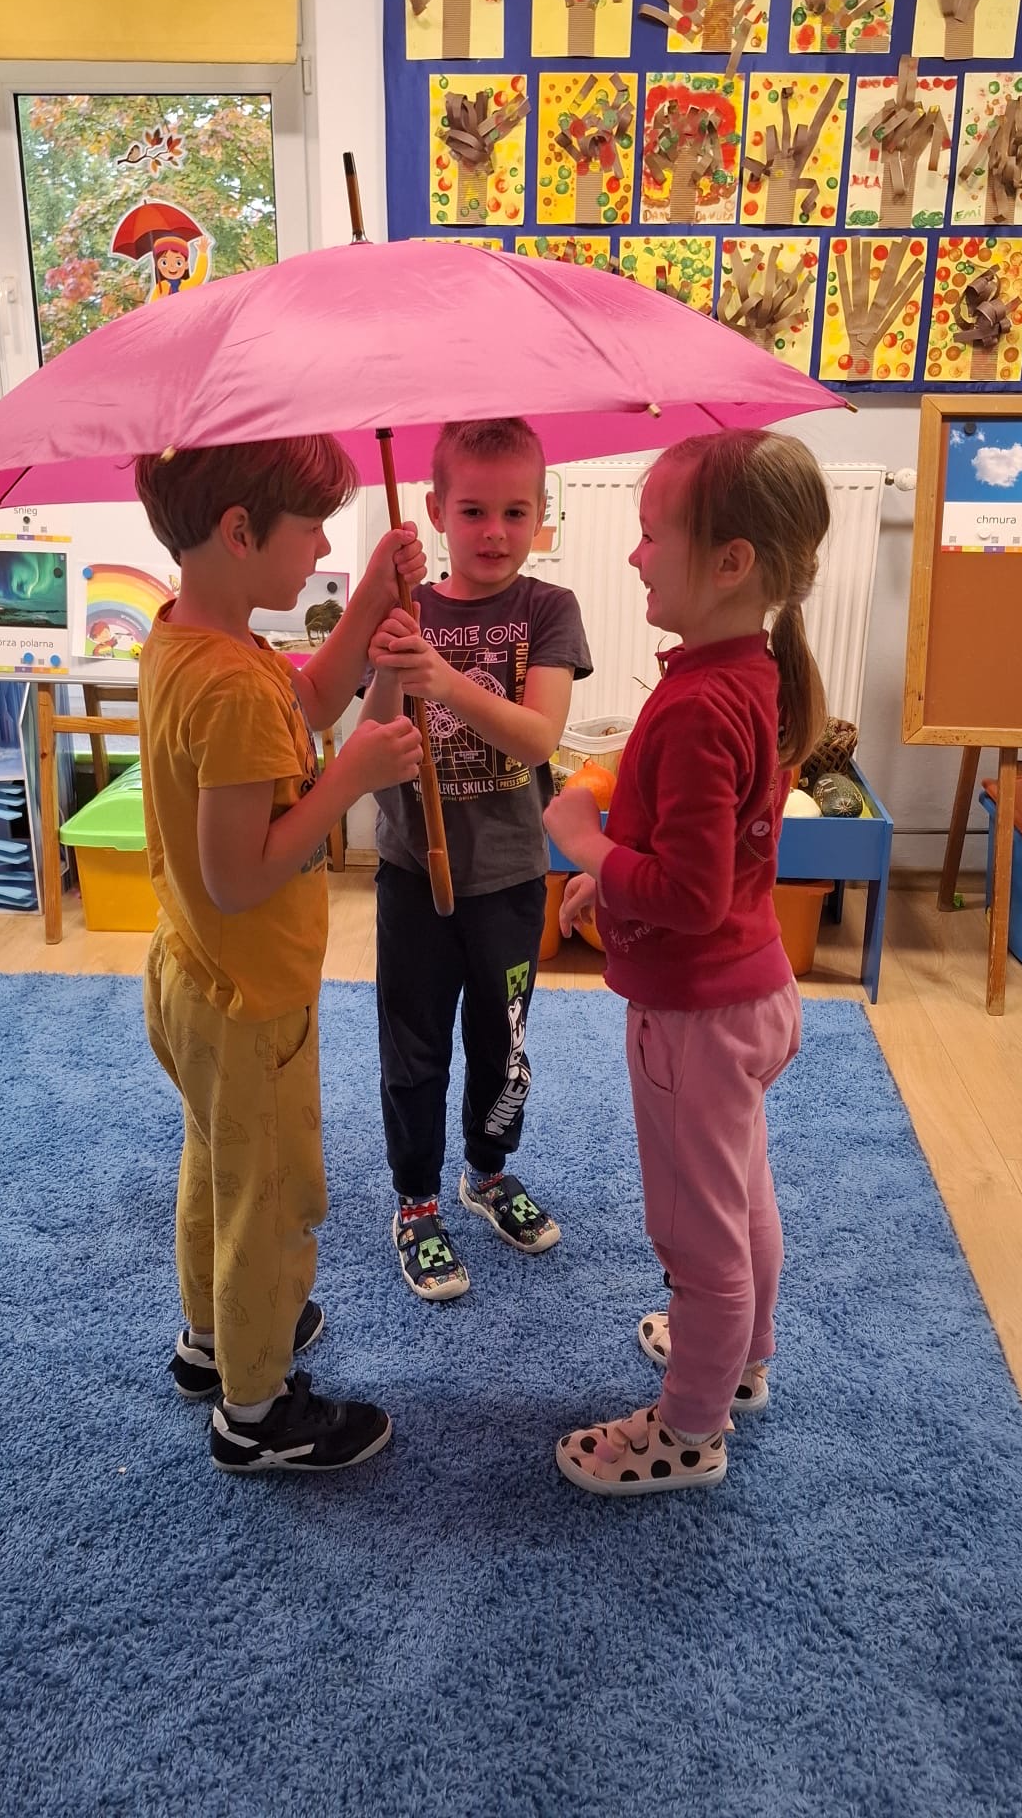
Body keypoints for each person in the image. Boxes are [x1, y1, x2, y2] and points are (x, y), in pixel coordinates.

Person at [544, 429, 831, 1496]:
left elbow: (689, 894)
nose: (634, 556)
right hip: (750, 990)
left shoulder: (701, 704)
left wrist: (584, 844)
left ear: (730, 562)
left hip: (697, 1019)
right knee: (742, 1193)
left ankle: (690, 1431)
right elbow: (702, 858)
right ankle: (741, 1356)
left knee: (694, 1233)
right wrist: (612, 882)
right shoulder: (745, 674)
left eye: (650, 535)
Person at [135, 435, 424, 1475]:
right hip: (250, 996)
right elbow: (240, 875)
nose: (322, 552)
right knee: (272, 1200)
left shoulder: (194, 641)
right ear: (240, 532)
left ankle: (214, 1338)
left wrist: (367, 604)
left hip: (194, 975)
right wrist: (350, 780)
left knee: (219, 1166)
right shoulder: (231, 687)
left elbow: (300, 708)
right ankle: (255, 1410)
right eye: (311, 532)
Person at [362, 418, 592, 1300]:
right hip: (412, 874)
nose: (495, 532)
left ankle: (487, 1171)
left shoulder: (548, 610)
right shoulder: (404, 608)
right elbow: (371, 733)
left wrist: (444, 679)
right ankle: (416, 1199)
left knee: (504, 1046)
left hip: (507, 876)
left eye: (515, 512)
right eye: (472, 511)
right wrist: (395, 661)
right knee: (413, 1048)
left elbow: (537, 735)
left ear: (541, 514)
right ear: (434, 512)